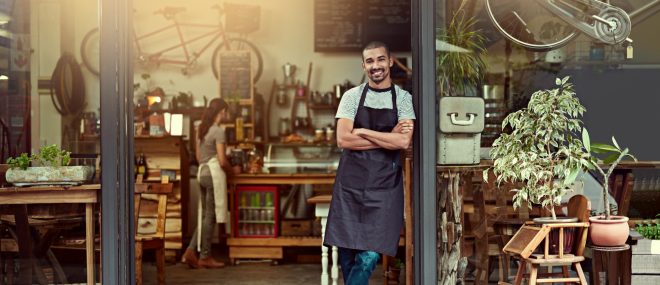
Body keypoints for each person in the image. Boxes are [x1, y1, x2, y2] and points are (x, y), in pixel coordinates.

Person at [324, 41, 415, 284]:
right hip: (351, 185)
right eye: (370, 61)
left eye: (380, 59)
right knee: (347, 251)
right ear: (363, 66)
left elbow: (403, 141)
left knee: (370, 254)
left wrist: (363, 132)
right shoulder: (351, 97)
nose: (376, 65)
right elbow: (344, 139)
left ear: (390, 61)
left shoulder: (404, 99)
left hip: (385, 188)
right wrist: (387, 137)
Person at [181, 98, 231, 269]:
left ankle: (190, 250)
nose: (226, 114)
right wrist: (233, 172)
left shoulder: (201, 130)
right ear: (222, 111)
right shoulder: (218, 131)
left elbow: (198, 157)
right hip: (212, 174)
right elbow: (223, 161)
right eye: (226, 111)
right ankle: (205, 256)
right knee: (211, 215)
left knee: (205, 216)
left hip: (201, 173)